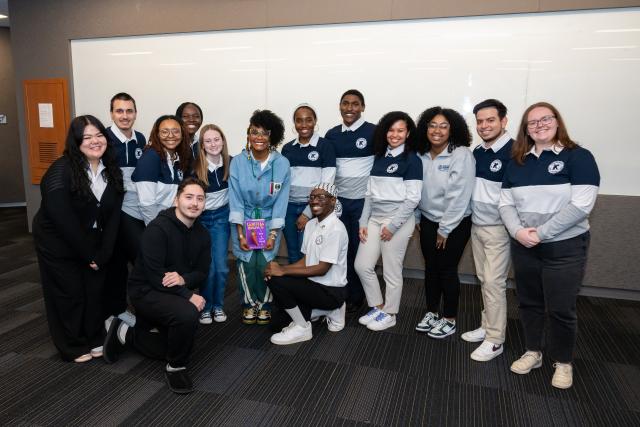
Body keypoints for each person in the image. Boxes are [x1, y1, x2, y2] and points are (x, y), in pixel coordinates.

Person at [499, 102, 599, 389]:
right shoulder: (517, 161)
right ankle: (533, 352)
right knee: (529, 303)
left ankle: (563, 362)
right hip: (525, 245)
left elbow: (581, 205)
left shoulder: (578, 157)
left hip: (565, 247)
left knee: (561, 308)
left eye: (545, 119)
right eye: (532, 122)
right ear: (525, 129)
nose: (539, 125)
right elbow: (505, 203)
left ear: (557, 121)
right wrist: (518, 232)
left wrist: (541, 233)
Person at [102, 177, 211, 394]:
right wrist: (188, 295)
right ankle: (175, 367)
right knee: (188, 315)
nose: (194, 203)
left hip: (171, 290)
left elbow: (201, 273)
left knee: (182, 343)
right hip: (145, 291)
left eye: (200, 199)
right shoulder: (158, 229)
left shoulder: (202, 234)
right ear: (176, 199)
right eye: (189, 197)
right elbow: (154, 275)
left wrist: (183, 280)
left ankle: (127, 332)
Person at [33, 115, 124, 362]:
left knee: (94, 289)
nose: (95, 141)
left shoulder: (110, 169)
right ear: (76, 142)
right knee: (69, 291)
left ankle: (94, 337)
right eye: (87, 137)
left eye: (99, 135)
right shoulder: (61, 170)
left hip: (91, 237)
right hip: (57, 240)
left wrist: (103, 253)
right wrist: (89, 254)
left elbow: (114, 215)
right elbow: (63, 219)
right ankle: (72, 345)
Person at [354, 111, 422, 331]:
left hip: (398, 221)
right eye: (391, 130)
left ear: (408, 132)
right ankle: (378, 306)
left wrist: (392, 227)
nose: (395, 135)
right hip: (374, 219)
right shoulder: (380, 157)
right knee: (362, 265)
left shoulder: (412, 160)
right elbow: (368, 195)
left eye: (400, 130)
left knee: (392, 272)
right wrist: (363, 222)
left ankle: (391, 313)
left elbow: (413, 198)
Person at [461, 99, 514, 362]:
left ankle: (495, 340)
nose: (484, 126)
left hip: (499, 229)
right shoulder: (478, 152)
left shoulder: (516, 152)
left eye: (490, 120)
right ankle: (487, 326)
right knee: (484, 279)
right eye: (480, 121)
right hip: (478, 226)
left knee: (494, 283)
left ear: (504, 121)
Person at [415, 106, 475, 339]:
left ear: (453, 129)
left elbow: (459, 196)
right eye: (432, 125)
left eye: (443, 125)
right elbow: (417, 190)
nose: (437, 130)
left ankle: (449, 318)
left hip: (455, 223)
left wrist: (445, 229)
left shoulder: (461, 154)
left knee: (447, 270)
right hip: (428, 221)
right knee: (431, 268)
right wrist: (419, 218)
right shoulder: (421, 154)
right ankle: (431, 312)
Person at [265, 183, 348, 344]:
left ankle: (303, 327)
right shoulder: (311, 224)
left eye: (321, 197)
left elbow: (322, 269)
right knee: (275, 324)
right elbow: (305, 261)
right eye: (312, 197)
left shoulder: (336, 229)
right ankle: (326, 311)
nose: (314, 201)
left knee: (277, 280)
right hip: (312, 286)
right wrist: (278, 268)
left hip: (331, 292)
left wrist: (282, 272)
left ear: (332, 201)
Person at [229, 109, 290, 325]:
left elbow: (281, 202)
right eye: (254, 132)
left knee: (263, 262)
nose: (259, 137)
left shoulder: (282, 163)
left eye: (264, 133)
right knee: (246, 263)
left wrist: (273, 235)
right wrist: (240, 233)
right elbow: (235, 198)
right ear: (248, 135)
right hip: (245, 220)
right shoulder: (238, 162)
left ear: (272, 136)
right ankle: (248, 303)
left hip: (268, 220)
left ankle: (264, 303)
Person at [324, 89, 376, 314]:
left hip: (363, 202)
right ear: (339, 106)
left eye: (355, 104)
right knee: (339, 250)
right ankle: (340, 292)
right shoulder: (332, 134)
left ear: (363, 107)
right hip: (339, 202)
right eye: (345, 103)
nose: (350, 108)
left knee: (358, 251)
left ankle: (357, 296)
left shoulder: (374, 132)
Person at [104, 92, 147, 318]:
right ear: (111, 113)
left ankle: (139, 308)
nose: (124, 116)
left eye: (129, 111)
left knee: (139, 259)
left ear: (135, 113)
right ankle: (117, 311)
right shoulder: (104, 140)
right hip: (112, 212)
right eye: (119, 111)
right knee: (115, 264)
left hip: (135, 210)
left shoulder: (140, 139)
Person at [281, 103, 336, 263]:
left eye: (308, 120)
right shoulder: (287, 148)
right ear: (294, 123)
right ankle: (294, 288)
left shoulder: (325, 146)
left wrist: (308, 212)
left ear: (315, 121)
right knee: (292, 253)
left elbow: (327, 183)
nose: (304, 125)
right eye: (299, 121)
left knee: (308, 254)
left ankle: (307, 288)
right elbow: (283, 182)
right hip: (289, 208)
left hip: (313, 209)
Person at [192, 124, 231, 324]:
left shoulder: (231, 164)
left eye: (216, 139)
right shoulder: (195, 167)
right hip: (201, 220)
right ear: (202, 145)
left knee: (222, 267)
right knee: (208, 267)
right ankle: (206, 306)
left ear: (223, 141)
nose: (213, 144)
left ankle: (218, 305)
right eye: (208, 141)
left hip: (222, 219)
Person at [132, 114, 192, 226]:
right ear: (157, 135)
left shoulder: (178, 158)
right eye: (165, 131)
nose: (171, 135)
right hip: (144, 222)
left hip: (164, 220)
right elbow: (146, 204)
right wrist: (158, 230)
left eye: (175, 131)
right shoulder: (150, 157)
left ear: (182, 134)